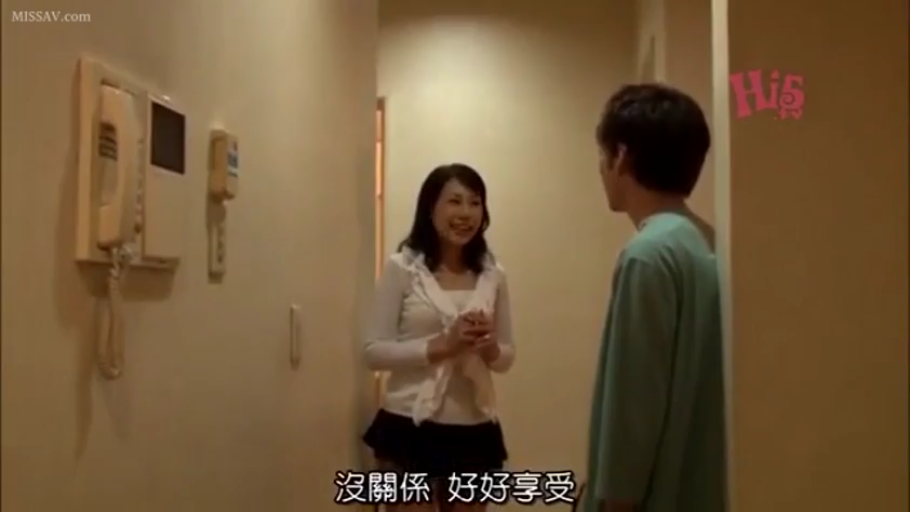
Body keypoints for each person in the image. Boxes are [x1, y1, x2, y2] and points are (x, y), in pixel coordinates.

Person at [580, 84, 727, 512]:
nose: (601, 168)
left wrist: (615, 501)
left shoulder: (648, 256)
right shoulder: (710, 243)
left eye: (603, 154)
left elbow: (635, 406)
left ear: (621, 156)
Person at [362, 163, 515, 512]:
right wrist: (440, 346)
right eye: (455, 201)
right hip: (407, 423)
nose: (465, 213)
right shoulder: (402, 268)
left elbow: (507, 355)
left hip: (475, 426)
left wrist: (490, 347)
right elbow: (373, 352)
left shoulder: (493, 275)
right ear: (430, 208)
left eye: (475, 203)